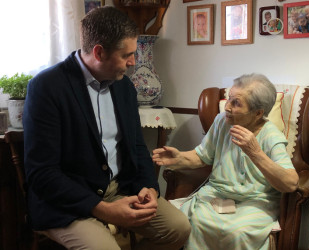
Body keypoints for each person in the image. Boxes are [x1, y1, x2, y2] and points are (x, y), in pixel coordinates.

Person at [23, 6, 190, 250]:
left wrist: (150, 189)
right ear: (99, 53)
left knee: (178, 228)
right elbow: (42, 174)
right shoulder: (46, 87)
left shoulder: (124, 87)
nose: (133, 62)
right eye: (126, 55)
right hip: (68, 203)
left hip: (119, 189)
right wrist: (103, 210)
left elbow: (136, 147)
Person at [153, 73, 299, 249]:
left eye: (236, 103)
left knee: (238, 231)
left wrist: (255, 153)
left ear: (258, 113)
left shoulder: (271, 136)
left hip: (255, 201)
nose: (227, 107)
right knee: (197, 221)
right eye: (228, 99)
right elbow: (202, 155)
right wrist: (180, 158)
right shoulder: (222, 121)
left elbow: (290, 183)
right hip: (217, 194)